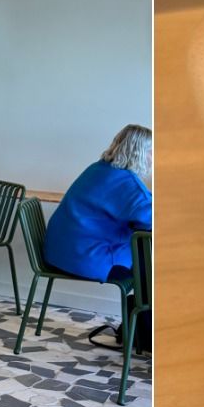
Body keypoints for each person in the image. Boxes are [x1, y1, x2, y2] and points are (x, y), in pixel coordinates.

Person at [46, 125, 153, 351]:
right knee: (150, 268)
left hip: (59, 252)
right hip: (86, 258)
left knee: (145, 262)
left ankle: (140, 329)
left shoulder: (97, 169)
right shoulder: (126, 183)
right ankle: (148, 332)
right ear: (141, 153)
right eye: (154, 151)